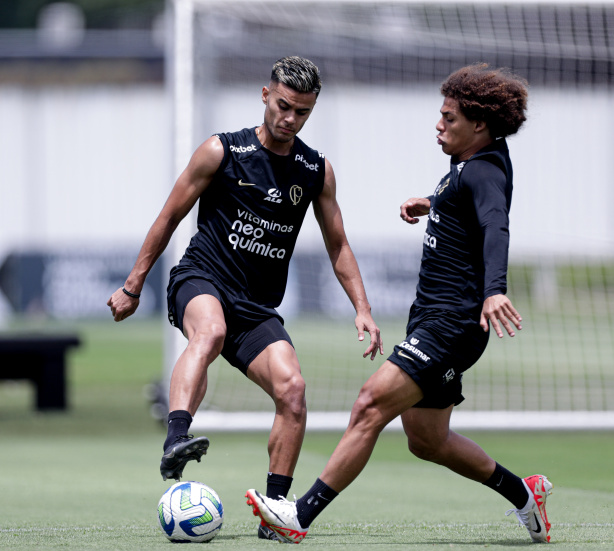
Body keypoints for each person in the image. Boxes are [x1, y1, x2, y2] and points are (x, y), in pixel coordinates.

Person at [246, 64, 553, 544]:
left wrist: (495, 288)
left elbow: (496, 225)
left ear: (480, 126)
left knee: (369, 404)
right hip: (433, 320)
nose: (439, 124)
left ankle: (298, 517)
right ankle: (523, 493)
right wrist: (436, 202)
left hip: (450, 326)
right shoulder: (477, 164)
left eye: (449, 118)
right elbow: (471, 201)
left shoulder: (485, 172)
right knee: (427, 441)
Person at [107, 56, 383, 540]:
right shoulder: (221, 150)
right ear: (264, 95)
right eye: (282, 105)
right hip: (200, 279)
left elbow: (338, 245)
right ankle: (176, 439)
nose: (289, 118)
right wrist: (133, 285)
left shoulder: (315, 170)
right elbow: (169, 217)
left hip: (256, 308)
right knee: (209, 331)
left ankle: (277, 510)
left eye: (301, 112)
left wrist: (362, 308)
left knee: (293, 390)